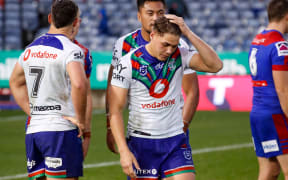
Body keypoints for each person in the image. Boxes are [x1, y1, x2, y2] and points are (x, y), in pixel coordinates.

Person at [109, 15, 222, 180]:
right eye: (165, 44)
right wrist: (124, 151)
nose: (169, 50)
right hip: (142, 143)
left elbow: (216, 65)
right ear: (153, 35)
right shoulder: (128, 63)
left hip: (175, 140)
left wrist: (188, 33)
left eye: (174, 45)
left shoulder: (180, 55)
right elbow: (115, 111)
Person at [106, 0, 199, 155]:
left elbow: (192, 91)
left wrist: (183, 127)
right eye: (150, 13)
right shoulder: (123, 44)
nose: (155, 18)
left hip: (173, 132)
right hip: (140, 134)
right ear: (139, 16)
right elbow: (112, 87)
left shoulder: (179, 45)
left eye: (161, 13)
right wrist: (109, 126)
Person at [9, 0, 88, 179]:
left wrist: (33, 111)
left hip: (34, 131)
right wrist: (81, 120)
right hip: (59, 130)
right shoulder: (71, 49)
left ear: (50, 18)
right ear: (76, 22)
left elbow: (14, 81)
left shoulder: (30, 49)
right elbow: (79, 84)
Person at [249, 0, 288, 179]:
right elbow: (283, 90)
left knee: (270, 170)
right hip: (276, 114)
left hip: (258, 114)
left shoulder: (257, 40)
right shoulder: (280, 46)